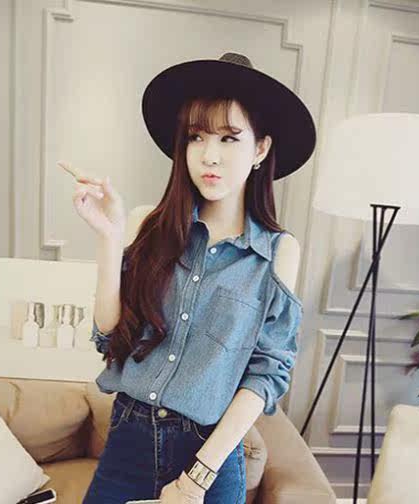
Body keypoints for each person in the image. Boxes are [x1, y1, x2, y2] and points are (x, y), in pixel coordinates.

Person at [74, 52, 316, 504]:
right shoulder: (145, 223)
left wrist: (196, 479)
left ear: (260, 149)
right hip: (127, 442)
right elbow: (108, 335)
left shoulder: (278, 252)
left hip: (209, 456)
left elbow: (266, 373)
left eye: (229, 138)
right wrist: (109, 238)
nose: (209, 155)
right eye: (196, 137)